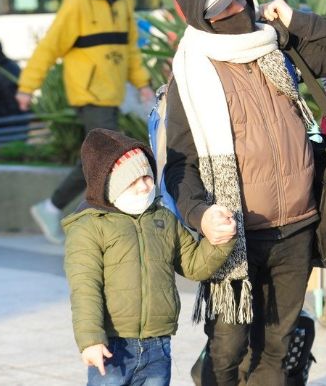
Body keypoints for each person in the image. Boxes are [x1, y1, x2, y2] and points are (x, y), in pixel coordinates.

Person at [164, 0, 326, 385]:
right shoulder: (189, 76)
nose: (239, 8)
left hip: (296, 227)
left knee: (276, 347)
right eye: (224, 7)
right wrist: (200, 214)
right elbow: (178, 165)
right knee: (227, 347)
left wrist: (300, 21)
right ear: (201, 17)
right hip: (235, 235)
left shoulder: (277, 47)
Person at [63, 128, 236, 386]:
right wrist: (91, 340)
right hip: (113, 347)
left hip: (158, 343)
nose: (145, 185)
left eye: (147, 176)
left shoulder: (163, 217)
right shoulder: (90, 226)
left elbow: (192, 264)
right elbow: (84, 288)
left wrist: (220, 241)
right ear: (110, 184)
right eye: (134, 181)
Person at [17, 0, 153, 245]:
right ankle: (83, 214)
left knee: (97, 157)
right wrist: (27, 86)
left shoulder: (121, 2)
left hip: (112, 93)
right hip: (90, 94)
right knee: (106, 156)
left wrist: (142, 83)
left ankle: (56, 209)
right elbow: (50, 46)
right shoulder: (77, 1)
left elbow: (130, 50)